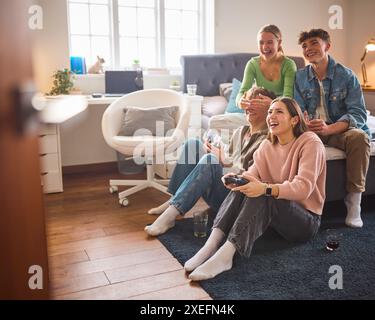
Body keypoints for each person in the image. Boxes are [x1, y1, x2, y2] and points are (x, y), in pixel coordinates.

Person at [185, 97, 326, 281]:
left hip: (305, 222)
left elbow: (304, 188)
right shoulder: (266, 145)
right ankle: (211, 245)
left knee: (264, 191)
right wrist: (236, 180)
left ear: (294, 120)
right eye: (270, 112)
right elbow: (251, 175)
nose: (271, 116)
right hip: (276, 220)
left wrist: (266, 188)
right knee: (246, 186)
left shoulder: (310, 142)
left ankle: (226, 256)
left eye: (279, 111)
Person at [144, 87, 276, 236]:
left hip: (236, 201)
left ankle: (170, 215)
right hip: (223, 189)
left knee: (210, 160)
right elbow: (229, 160)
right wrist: (219, 154)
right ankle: (174, 200)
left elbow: (250, 179)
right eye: (247, 101)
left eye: (256, 102)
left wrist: (222, 160)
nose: (249, 106)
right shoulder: (241, 131)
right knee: (193, 145)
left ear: (268, 109)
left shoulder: (268, 140)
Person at [294, 28, 370, 228]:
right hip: (310, 131)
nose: (309, 49)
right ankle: (299, 202)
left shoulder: (347, 75)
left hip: (338, 130)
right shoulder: (299, 77)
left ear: (327, 46)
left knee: (360, 137)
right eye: (304, 46)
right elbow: (297, 108)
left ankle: (354, 203)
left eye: (314, 43)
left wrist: (329, 129)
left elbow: (359, 114)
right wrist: (305, 123)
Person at [237, 24, 297, 112]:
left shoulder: (288, 65)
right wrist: (240, 102)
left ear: (279, 43)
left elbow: (288, 98)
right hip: (259, 109)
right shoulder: (252, 64)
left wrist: (272, 104)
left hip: (282, 110)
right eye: (261, 42)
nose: (265, 47)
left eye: (270, 42)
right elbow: (242, 91)